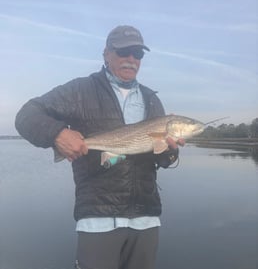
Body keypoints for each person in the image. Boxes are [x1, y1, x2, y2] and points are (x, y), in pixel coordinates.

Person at [15, 25, 182, 269]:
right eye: (124, 52)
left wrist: (171, 151)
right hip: (98, 217)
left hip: (146, 219)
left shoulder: (151, 99)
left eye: (138, 54)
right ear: (106, 53)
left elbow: (162, 160)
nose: (131, 59)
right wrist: (57, 133)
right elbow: (26, 115)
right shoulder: (80, 90)